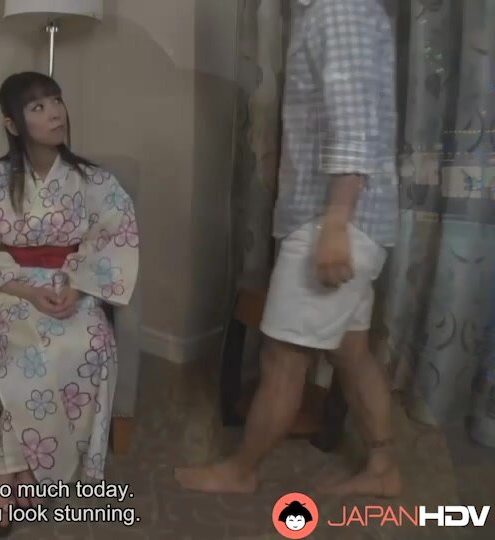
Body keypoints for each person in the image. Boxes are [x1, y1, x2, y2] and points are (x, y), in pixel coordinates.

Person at [175, 0, 401, 497]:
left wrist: (336, 223)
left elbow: (354, 126)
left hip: (333, 220)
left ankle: (242, 471)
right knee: (351, 351)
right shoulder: (331, 11)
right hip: (340, 218)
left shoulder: (339, 10)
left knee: (283, 357)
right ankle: (384, 466)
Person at [0, 71, 139, 534]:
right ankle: (8, 471)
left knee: (91, 341)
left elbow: (113, 238)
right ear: (12, 124)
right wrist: (27, 290)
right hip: (12, 287)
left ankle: (25, 470)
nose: (55, 113)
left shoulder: (94, 180)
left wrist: (80, 285)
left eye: (56, 101)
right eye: (38, 107)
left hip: (71, 282)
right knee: (31, 346)